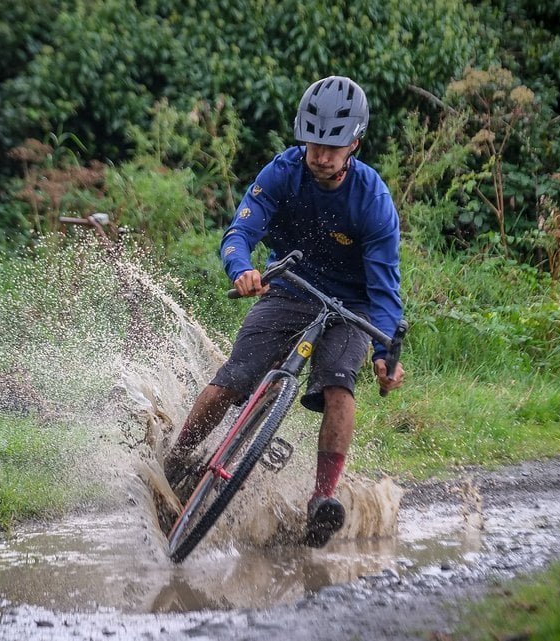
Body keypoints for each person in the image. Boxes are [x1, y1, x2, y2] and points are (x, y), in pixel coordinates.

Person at [164, 75, 405, 548]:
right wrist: (241, 268)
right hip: (289, 287)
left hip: (349, 306)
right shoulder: (281, 172)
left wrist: (385, 352)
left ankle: (322, 500)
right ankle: (176, 460)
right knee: (233, 377)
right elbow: (240, 232)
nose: (321, 155)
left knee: (338, 384)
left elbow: (384, 289)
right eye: (314, 144)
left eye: (333, 147)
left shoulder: (373, 200)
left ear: (354, 143)